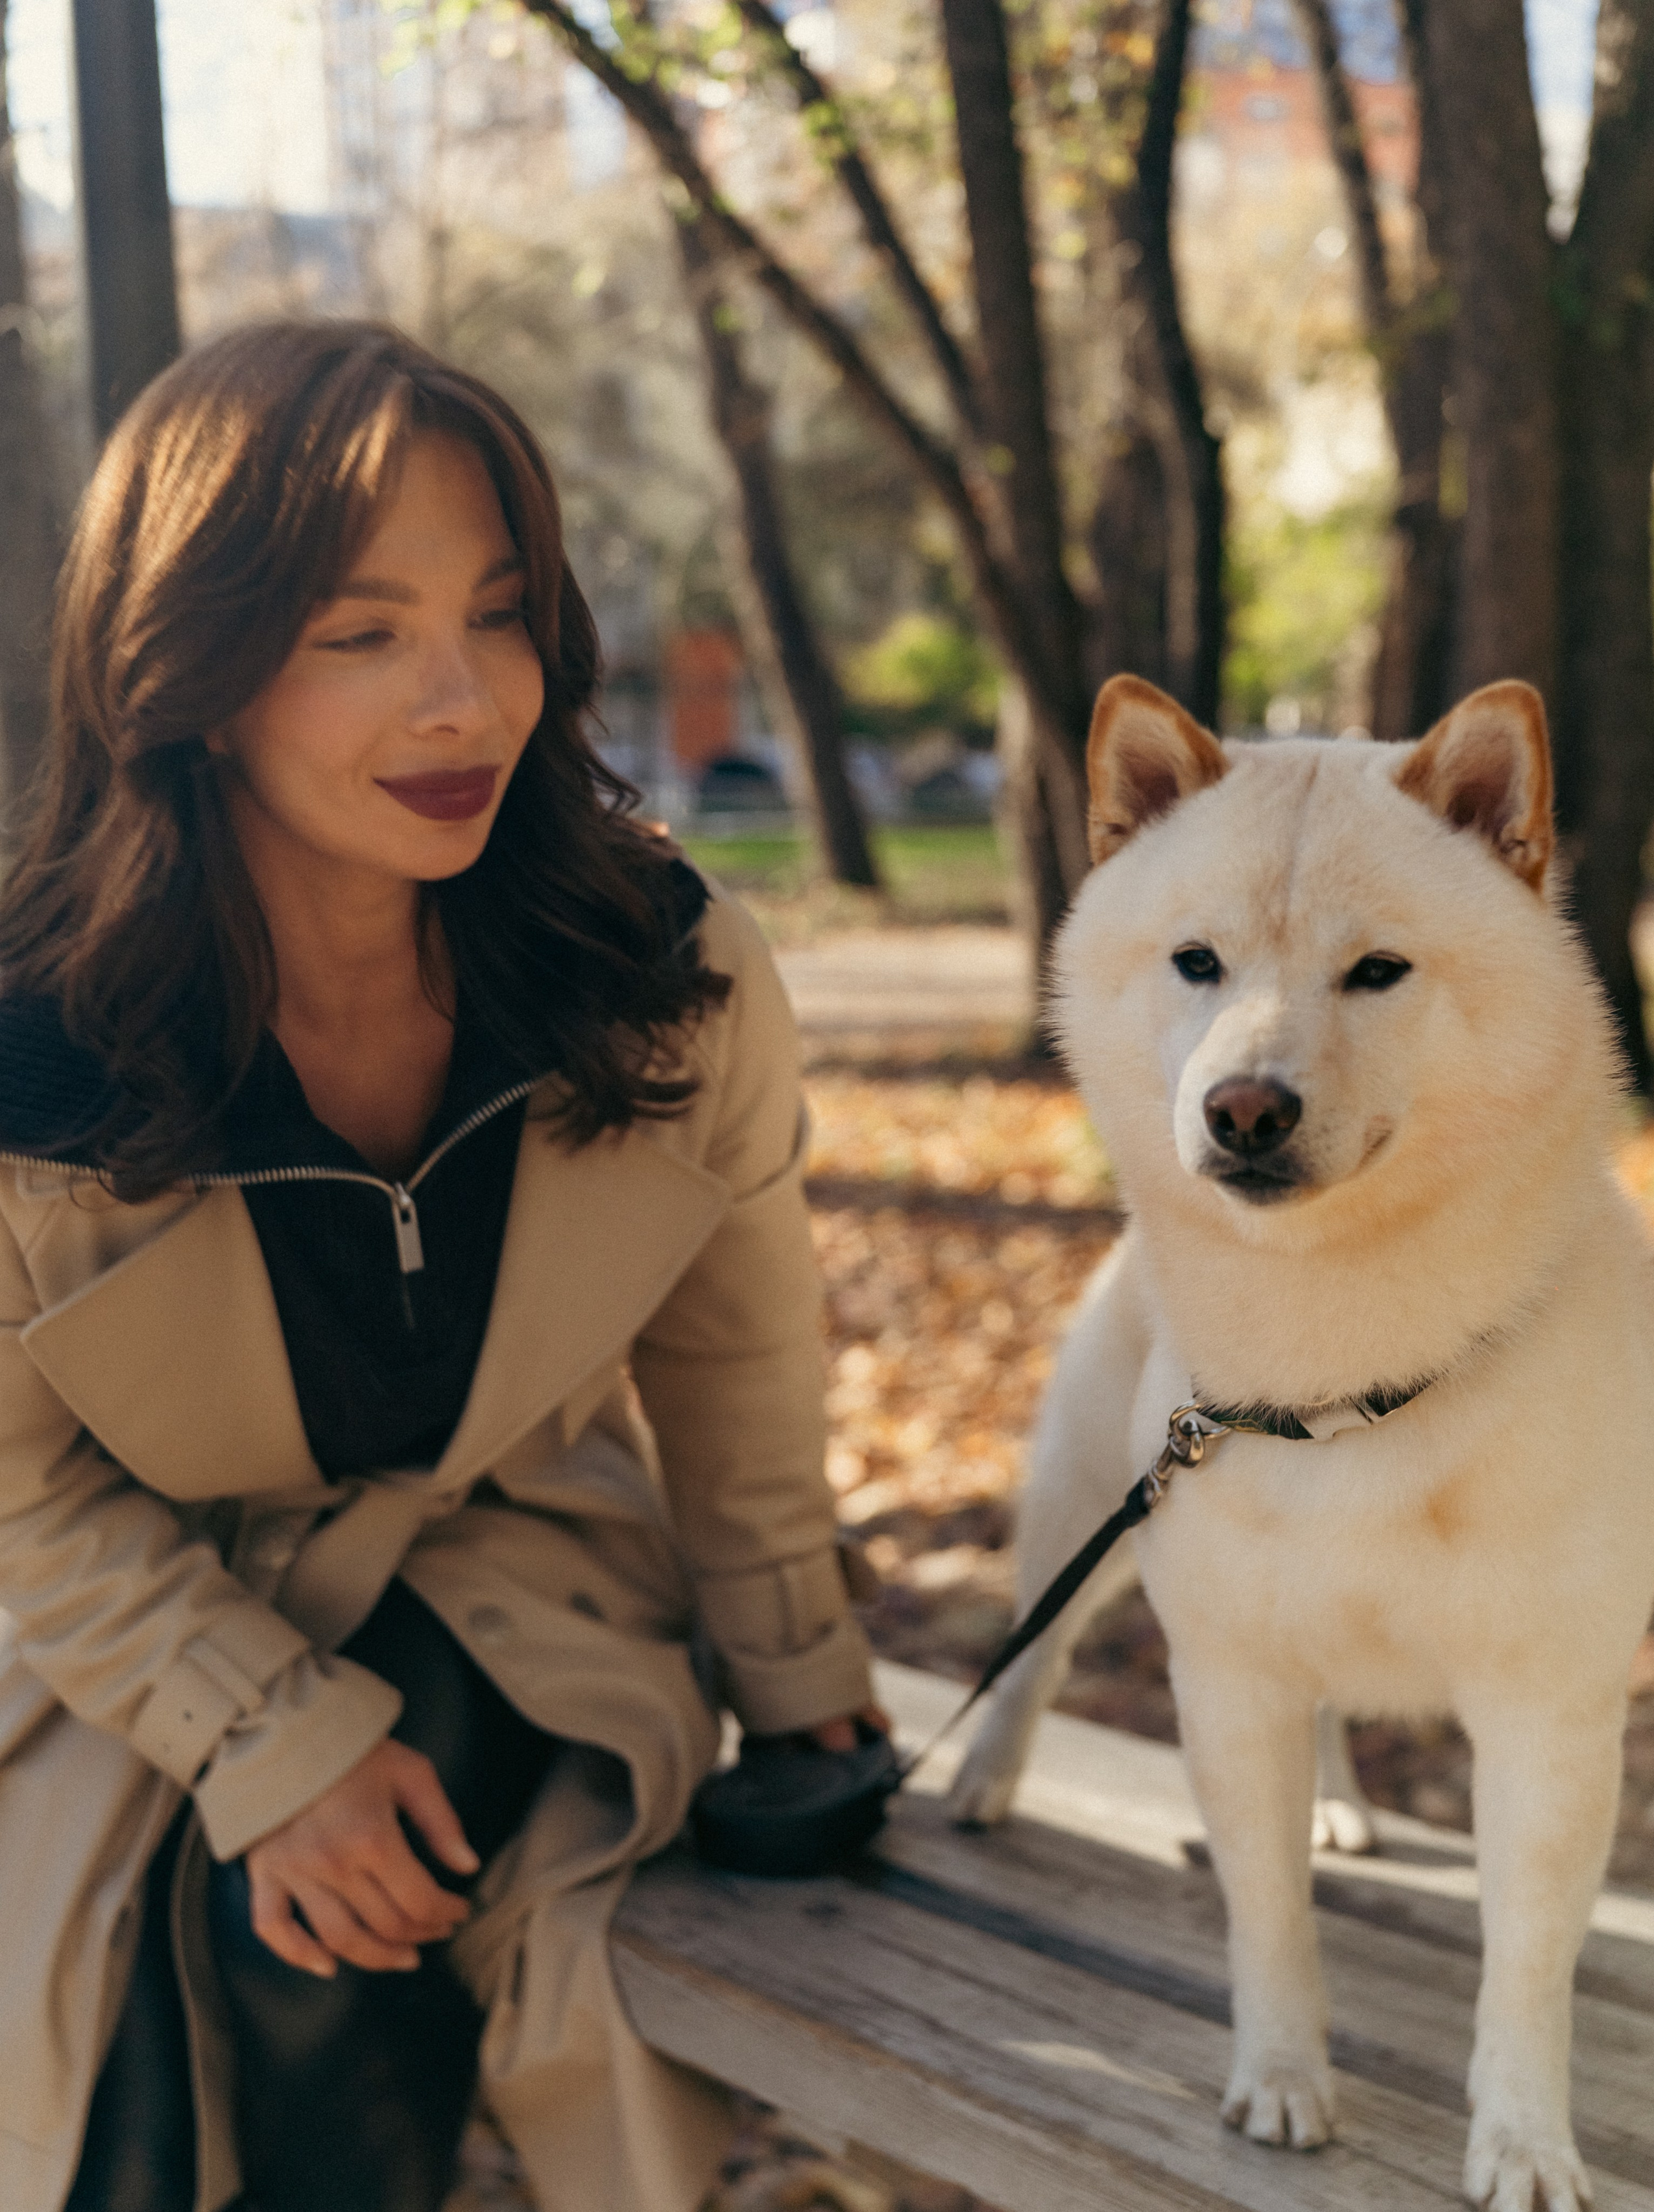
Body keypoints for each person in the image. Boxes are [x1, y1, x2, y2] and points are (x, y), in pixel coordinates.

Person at [0, 320, 880, 2212]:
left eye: (499, 615)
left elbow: (737, 1361)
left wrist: (800, 1676)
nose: (464, 702)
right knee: (103, 2063)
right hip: (118, 1621)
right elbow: (15, 1489)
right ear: (194, 673)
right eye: (361, 633)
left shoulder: (658, 971)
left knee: (310, 1922)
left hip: (518, 1569)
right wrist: (259, 1728)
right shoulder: (37, 1044)